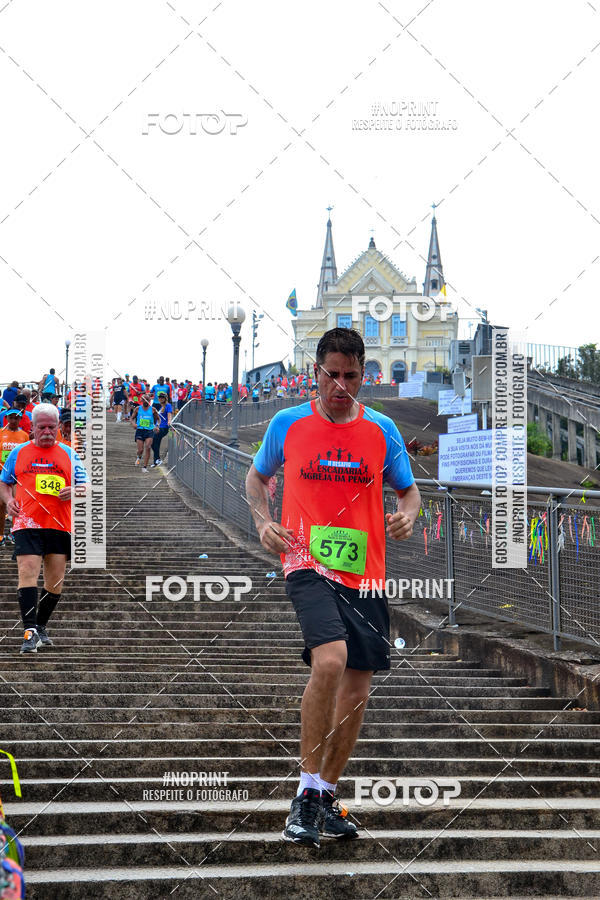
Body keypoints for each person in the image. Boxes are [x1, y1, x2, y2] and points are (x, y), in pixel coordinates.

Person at [245, 327, 420, 848]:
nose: (340, 386)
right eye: (331, 375)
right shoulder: (288, 423)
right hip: (307, 562)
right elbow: (257, 480)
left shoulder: (383, 430)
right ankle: (303, 793)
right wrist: (261, 521)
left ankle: (325, 795)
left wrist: (407, 517)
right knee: (329, 660)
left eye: (351, 376)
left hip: (365, 572)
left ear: (363, 375)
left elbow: (409, 494)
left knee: (358, 688)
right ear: (316, 373)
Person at [0, 403, 87, 653]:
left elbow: (89, 487)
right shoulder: (19, 452)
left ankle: (40, 625)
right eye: (42, 427)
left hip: (60, 525)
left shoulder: (70, 454)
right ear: (33, 428)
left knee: (55, 581)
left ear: (59, 427)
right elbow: (4, 483)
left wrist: (76, 490)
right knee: (27, 570)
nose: (47, 431)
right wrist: (9, 501)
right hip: (27, 523)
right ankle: (29, 631)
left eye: (51, 427)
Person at [0, 410, 29, 549]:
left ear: (20, 419)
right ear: (6, 418)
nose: (13, 420)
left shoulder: (24, 435)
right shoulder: (1, 433)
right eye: (11, 418)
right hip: (2, 475)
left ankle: (14, 533)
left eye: (16, 418)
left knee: (17, 505)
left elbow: (28, 453)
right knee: (1, 505)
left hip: (17, 475)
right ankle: (0, 535)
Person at [131, 395, 159, 472]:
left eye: (147, 399)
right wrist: (133, 424)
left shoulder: (153, 410)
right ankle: (139, 457)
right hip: (140, 430)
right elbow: (132, 418)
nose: (145, 401)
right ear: (141, 400)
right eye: (144, 400)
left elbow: (158, 419)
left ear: (149, 400)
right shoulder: (137, 409)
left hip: (149, 431)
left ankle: (144, 467)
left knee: (148, 447)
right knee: (140, 450)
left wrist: (157, 426)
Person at [151, 392, 172, 467]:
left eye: (162, 397)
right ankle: (156, 461)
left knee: (154, 441)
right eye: (159, 397)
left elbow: (169, 415)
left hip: (164, 427)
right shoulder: (160, 407)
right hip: (158, 427)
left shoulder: (168, 405)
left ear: (165, 398)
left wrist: (169, 421)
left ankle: (157, 459)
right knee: (155, 443)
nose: (160, 399)